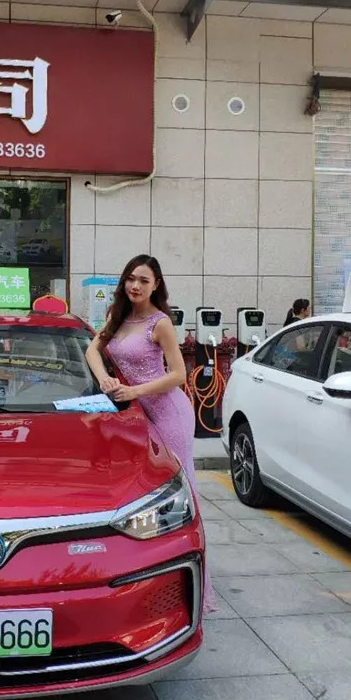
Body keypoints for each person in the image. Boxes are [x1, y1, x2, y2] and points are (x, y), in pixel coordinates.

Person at [85, 254, 219, 616]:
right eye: (130, 278)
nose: (135, 286)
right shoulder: (118, 316)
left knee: (180, 488)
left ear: (156, 284)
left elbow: (178, 375)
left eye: (143, 280)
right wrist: (105, 380)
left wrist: (134, 392)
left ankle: (195, 582)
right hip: (137, 411)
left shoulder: (161, 323)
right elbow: (92, 349)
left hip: (169, 412)